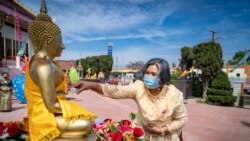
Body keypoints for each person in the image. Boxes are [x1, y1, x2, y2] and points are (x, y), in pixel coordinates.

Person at [24, 0, 96, 140]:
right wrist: (73, 108)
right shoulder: (43, 66)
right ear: (46, 40)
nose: (63, 46)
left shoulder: (49, 63)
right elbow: (51, 105)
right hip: (44, 117)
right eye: (60, 41)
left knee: (85, 122)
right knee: (85, 123)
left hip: (53, 114)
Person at [74, 58, 188, 141]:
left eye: (153, 74)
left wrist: (162, 130)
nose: (148, 76)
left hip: (166, 137)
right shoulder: (139, 88)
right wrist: (91, 85)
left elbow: (182, 120)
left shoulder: (173, 94)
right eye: (147, 73)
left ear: (163, 77)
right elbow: (116, 91)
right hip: (142, 135)